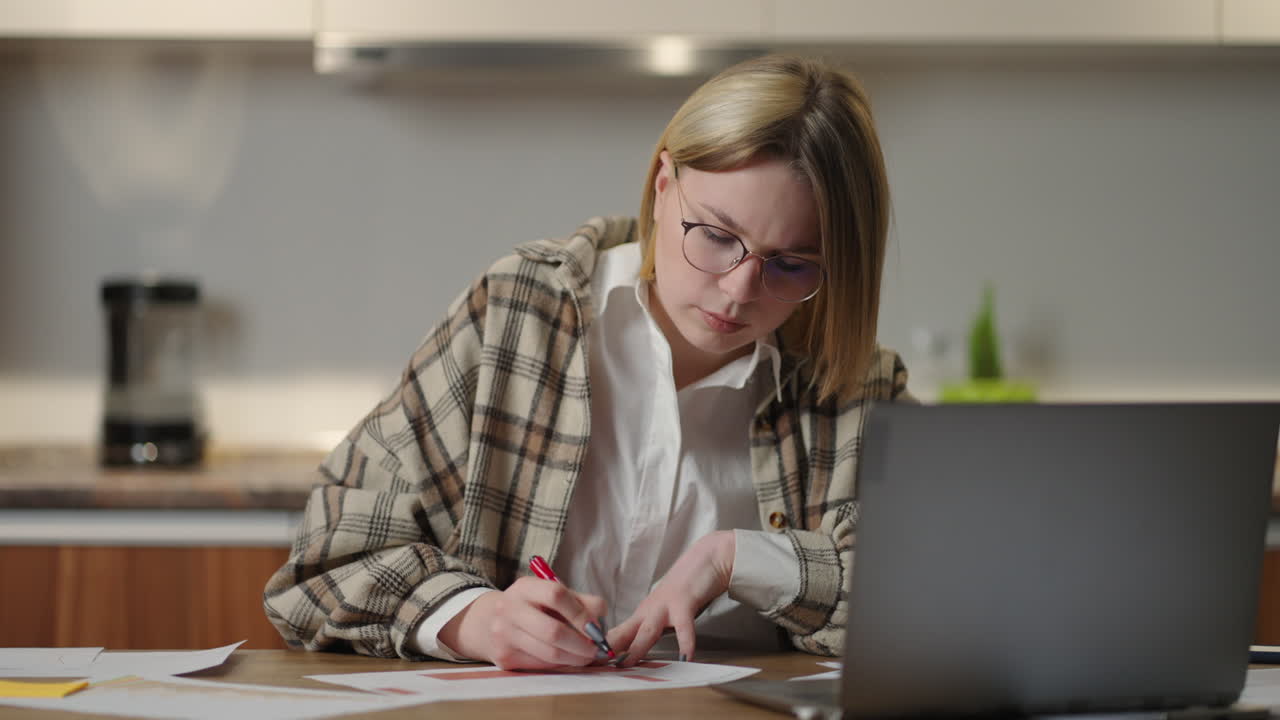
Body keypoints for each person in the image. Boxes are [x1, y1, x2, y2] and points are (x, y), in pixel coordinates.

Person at [263, 53, 913, 671]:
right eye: (716, 236)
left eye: (791, 263)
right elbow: (324, 565)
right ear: (663, 188)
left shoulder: (853, 385)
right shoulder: (522, 315)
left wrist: (740, 557)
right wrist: (478, 619)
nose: (740, 288)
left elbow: (934, 607)